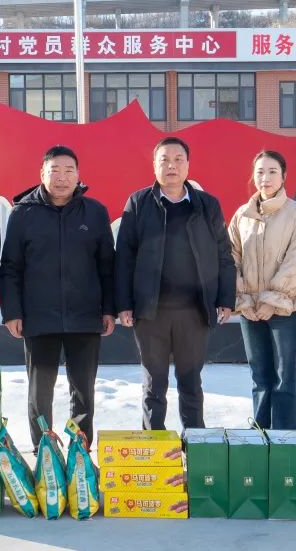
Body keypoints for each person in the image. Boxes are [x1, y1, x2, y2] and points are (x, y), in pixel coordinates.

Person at [0, 145, 115, 451]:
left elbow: (107, 266)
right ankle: (43, 451)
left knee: (84, 391)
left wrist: (109, 309)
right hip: (39, 318)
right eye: (54, 171)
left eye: (68, 171)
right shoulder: (23, 213)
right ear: (42, 174)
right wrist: (12, 312)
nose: (61, 178)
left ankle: (80, 452)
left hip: (85, 316)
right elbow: (10, 267)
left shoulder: (95, 212)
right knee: (40, 393)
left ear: (78, 175)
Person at [115, 136, 235, 430]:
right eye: (164, 160)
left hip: (194, 311)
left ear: (188, 165)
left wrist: (225, 298)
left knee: (191, 382)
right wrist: (124, 304)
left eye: (178, 159)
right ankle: (154, 446)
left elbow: (223, 253)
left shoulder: (207, 204)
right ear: (154, 165)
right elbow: (124, 257)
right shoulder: (138, 203)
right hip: (150, 311)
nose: (172, 166)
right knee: (154, 384)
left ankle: (195, 445)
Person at [228, 150, 296, 430]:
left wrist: (271, 301)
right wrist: (243, 301)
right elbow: (230, 259)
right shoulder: (242, 215)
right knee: (260, 378)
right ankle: (260, 439)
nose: (265, 178)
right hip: (250, 311)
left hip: (284, 309)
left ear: (284, 176)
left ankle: (286, 442)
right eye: (260, 172)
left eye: (272, 171)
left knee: (284, 379)